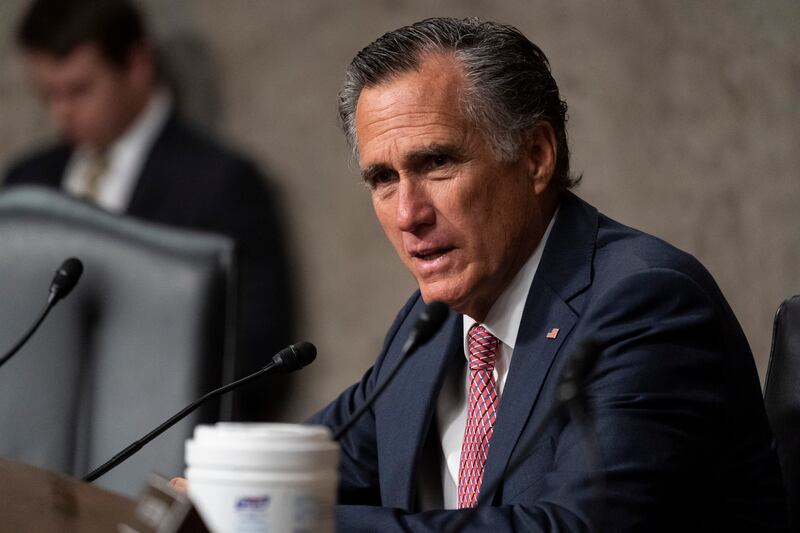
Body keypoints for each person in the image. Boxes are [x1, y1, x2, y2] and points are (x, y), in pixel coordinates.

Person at [305, 17, 788, 531]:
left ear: (535, 156)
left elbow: (572, 527)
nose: (408, 215)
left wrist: (290, 522)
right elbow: (284, 470)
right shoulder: (429, 327)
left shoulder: (645, 305)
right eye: (383, 178)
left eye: (437, 162)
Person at [2, 0, 293, 421]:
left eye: (79, 90)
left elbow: (256, 349)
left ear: (137, 65)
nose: (60, 112)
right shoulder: (27, 180)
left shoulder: (220, 182)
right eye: (47, 94)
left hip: (160, 443)